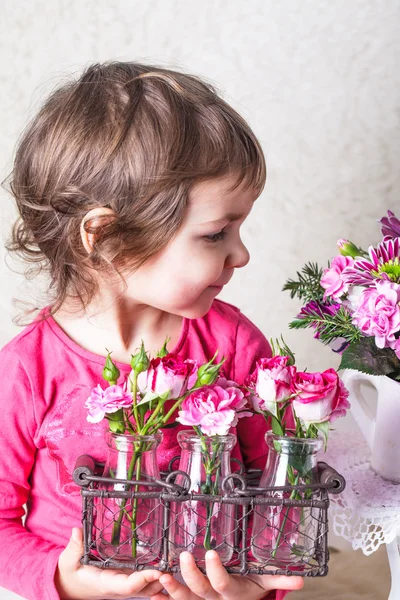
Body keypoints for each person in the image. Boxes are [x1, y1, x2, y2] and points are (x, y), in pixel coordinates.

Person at [0, 62, 304, 600]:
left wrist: (253, 586)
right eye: (215, 234)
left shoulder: (232, 347)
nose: (242, 253)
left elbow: (277, 489)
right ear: (106, 234)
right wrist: (63, 581)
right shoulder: (28, 370)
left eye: (240, 228)